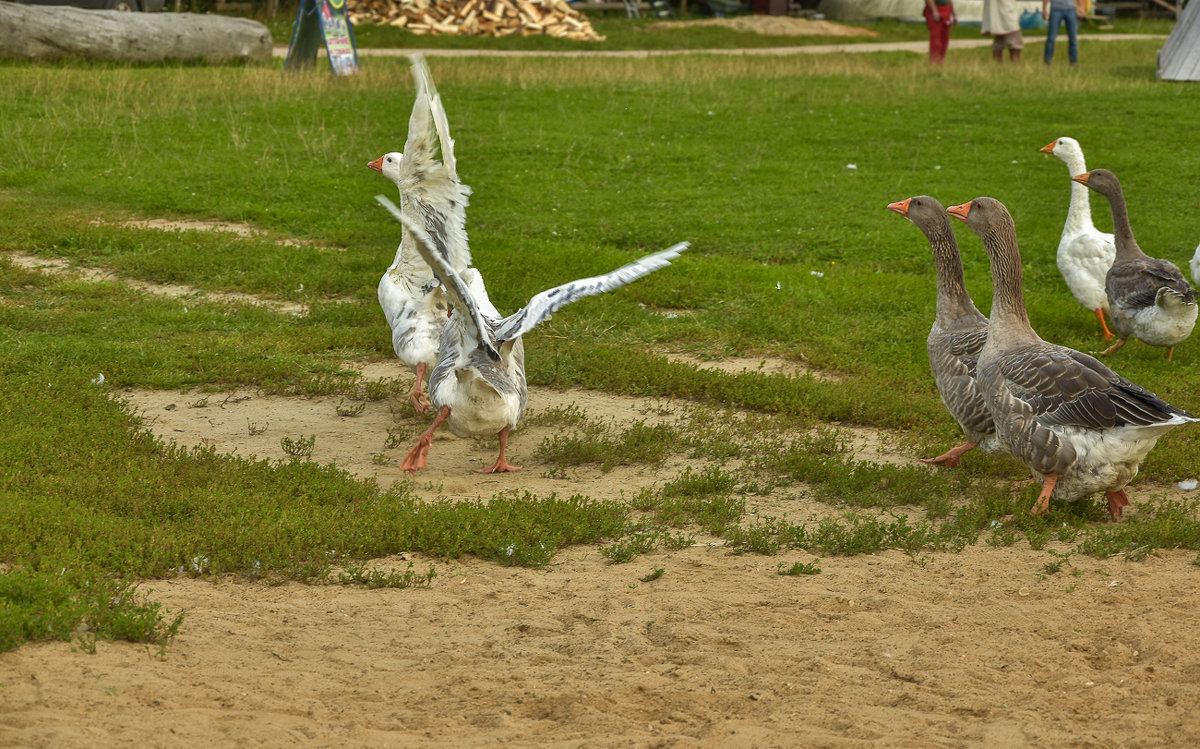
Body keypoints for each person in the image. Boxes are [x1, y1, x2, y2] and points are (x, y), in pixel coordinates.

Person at [1043, 0, 1080, 65]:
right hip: (1056, 10)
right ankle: (1047, 60)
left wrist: (1081, 7)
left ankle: (1073, 61)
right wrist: (1044, 8)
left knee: (1073, 37)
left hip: (1071, 10)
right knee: (1051, 37)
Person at [924, 0, 956, 66]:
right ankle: (934, 63)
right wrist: (934, 11)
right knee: (936, 40)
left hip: (946, 10)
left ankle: (940, 61)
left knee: (945, 39)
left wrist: (954, 13)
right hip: (937, 9)